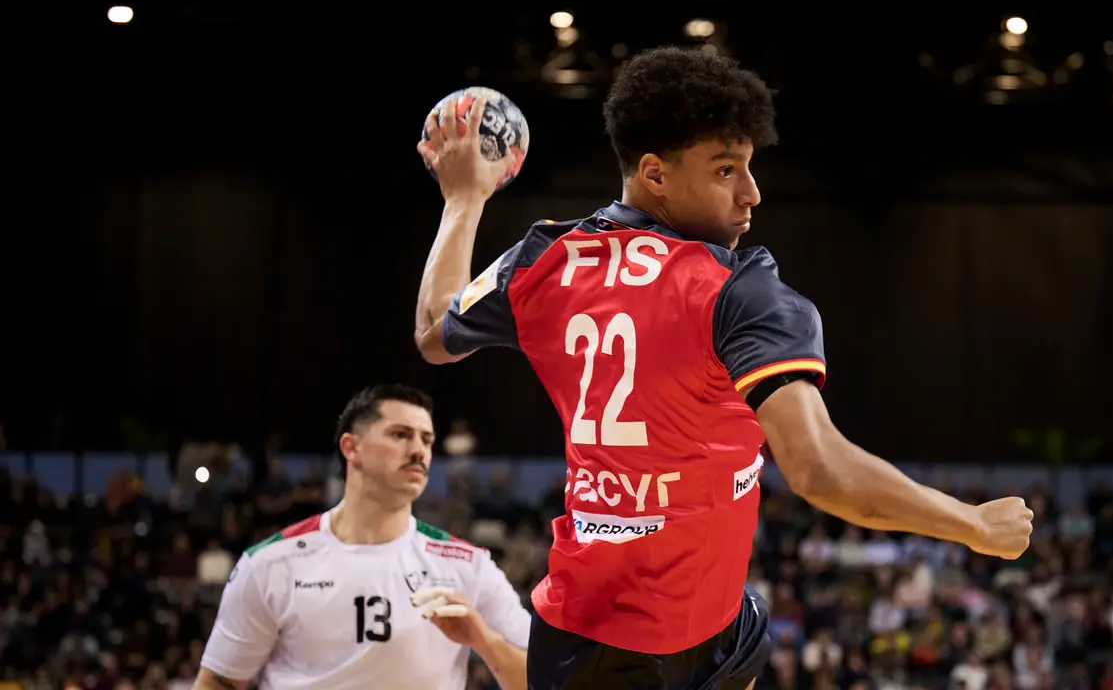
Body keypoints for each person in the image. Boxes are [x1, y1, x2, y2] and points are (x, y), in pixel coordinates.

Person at [412, 47, 1034, 690]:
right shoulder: (738, 289)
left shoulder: (545, 259)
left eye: (748, 167)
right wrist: (974, 525)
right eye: (725, 170)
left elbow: (434, 333)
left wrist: (463, 200)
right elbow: (819, 470)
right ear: (655, 174)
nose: (751, 193)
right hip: (645, 648)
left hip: (629, 634)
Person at [195, 384, 530, 690]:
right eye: (400, 435)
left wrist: (484, 640)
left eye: (426, 440)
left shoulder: (468, 565)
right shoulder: (270, 563)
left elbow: (542, 681)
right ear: (351, 447)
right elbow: (219, 681)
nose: (418, 451)